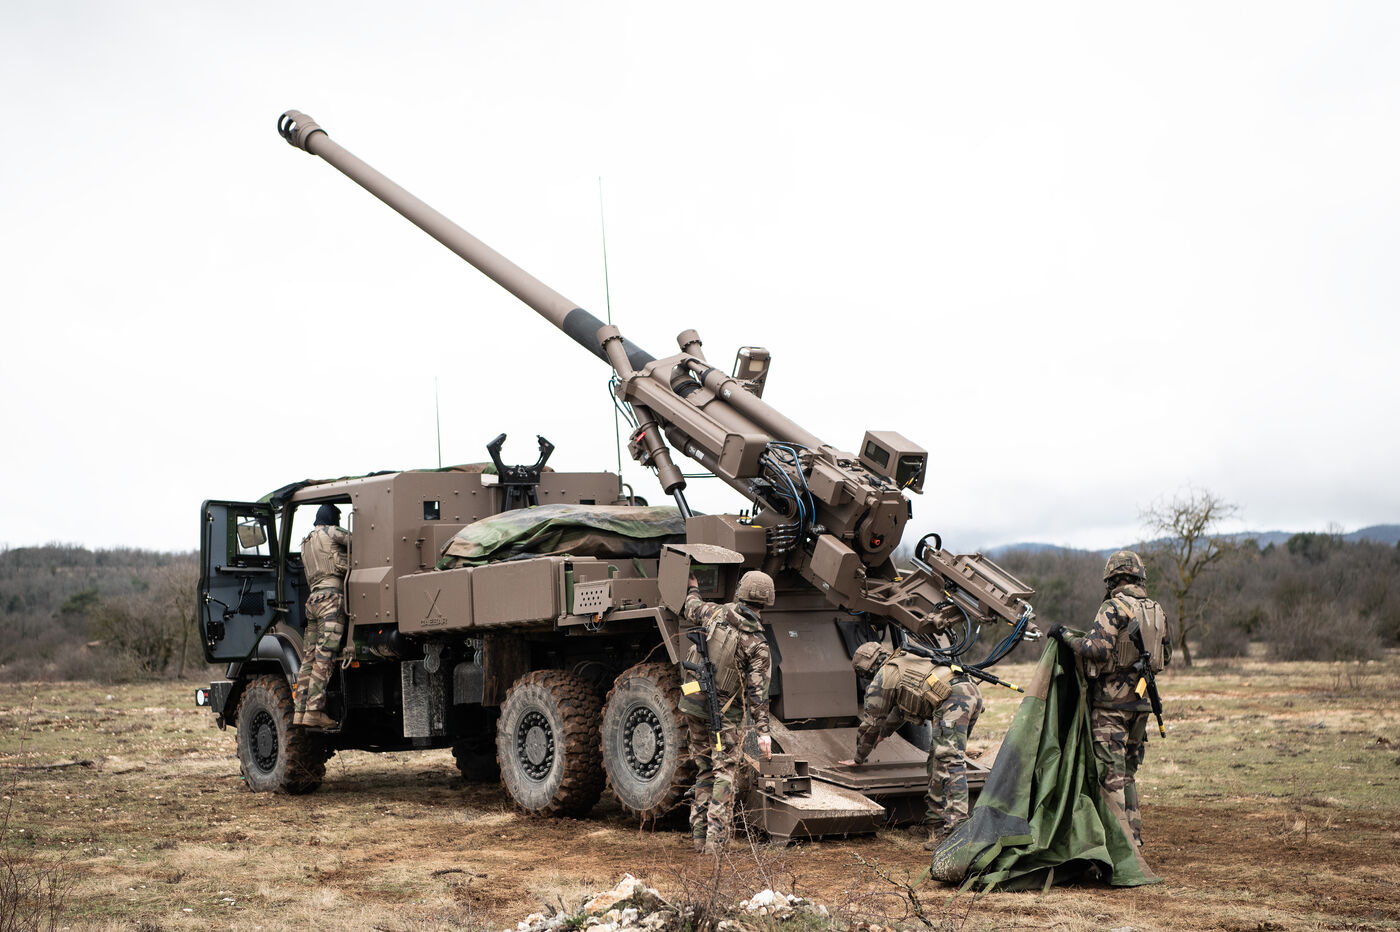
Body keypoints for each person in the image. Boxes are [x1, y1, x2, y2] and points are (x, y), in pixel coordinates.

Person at [1049, 549, 1170, 848]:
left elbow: (1096, 650)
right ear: (1139, 577)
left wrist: (1064, 636)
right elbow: (1165, 656)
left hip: (1111, 707)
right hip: (1142, 704)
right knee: (1128, 774)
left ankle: (1118, 845)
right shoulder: (1156, 610)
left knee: (1111, 775)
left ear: (1112, 579)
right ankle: (1134, 840)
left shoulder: (1114, 607)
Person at [839, 625, 983, 851]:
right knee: (937, 760)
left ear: (867, 669)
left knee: (949, 762)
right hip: (967, 694)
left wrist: (859, 757)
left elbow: (871, 722)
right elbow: (901, 708)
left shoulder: (883, 676)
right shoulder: (903, 661)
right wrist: (884, 733)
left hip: (953, 701)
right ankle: (935, 824)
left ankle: (956, 831)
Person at [677, 569, 775, 854]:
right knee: (724, 773)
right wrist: (763, 732)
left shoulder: (715, 613)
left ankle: (699, 837)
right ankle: (715, 844)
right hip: (723, 718)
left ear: (740, 592)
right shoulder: (757, 644)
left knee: (704, 769)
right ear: (768, 600)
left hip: (693, 704)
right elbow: (758, 693)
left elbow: (690, 607)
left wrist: (693, 587)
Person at [294, 503, 350, 729]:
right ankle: (314, 711)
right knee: (324, 656)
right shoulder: (332, 532)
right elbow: (360, 541)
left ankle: (300, 711)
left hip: (313, 601)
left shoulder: (305, 542)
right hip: (330, 599)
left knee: (308, 658)